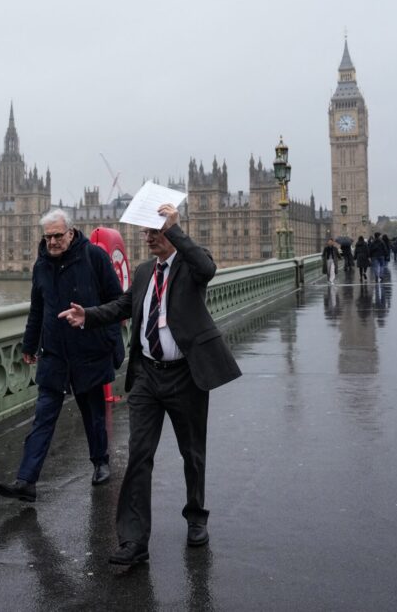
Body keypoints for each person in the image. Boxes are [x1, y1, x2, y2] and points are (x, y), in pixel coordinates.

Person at [58, 203, 242, 566]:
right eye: (146, 233)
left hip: (186, 375)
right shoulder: (143, 273)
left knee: (192, 453)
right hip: (147, 376)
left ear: (171, 233)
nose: (148, 238)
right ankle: (134, 539)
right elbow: (123, 306)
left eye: (154, 232)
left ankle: (195, 517)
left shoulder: (191, 266)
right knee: (139, 456)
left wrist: (173, 227)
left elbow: (208, 267)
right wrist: (88, 316)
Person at [0, 209, 123, 503]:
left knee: (93, 413)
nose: (52, 242)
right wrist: (29, 345)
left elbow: (117, 302)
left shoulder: (94, 258)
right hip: (54, 354)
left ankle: (100, 462)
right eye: (47, 236)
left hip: (89, 350)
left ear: (71, 233)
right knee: (43, 417)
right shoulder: (41, 266)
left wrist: (101, 331)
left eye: (57, 236)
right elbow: (37, 309)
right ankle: (26, 481)